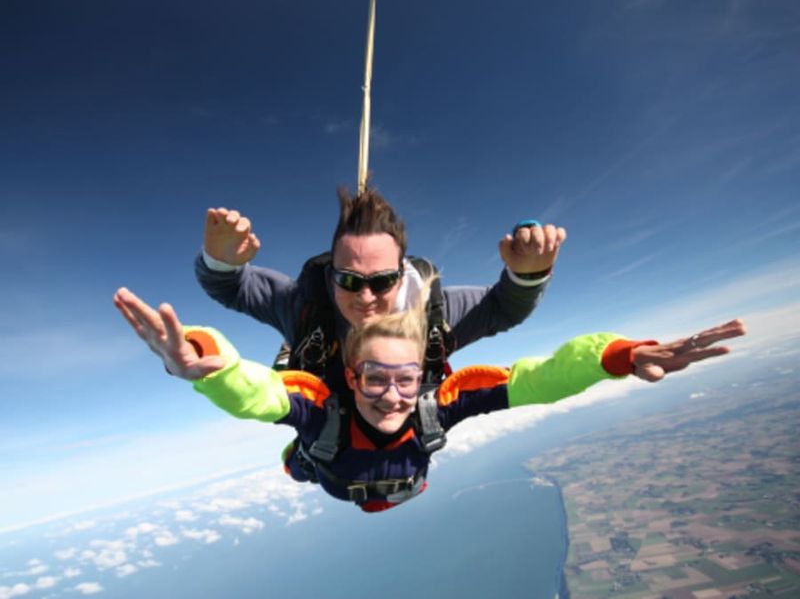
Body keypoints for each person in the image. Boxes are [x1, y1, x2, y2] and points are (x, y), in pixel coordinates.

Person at [113, 285, 746, 513]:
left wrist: (618, 355)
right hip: (327, 468)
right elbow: (259, 393)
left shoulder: (440, 405)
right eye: (375, 379)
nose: (392, 396)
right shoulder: (318, 409)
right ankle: (300, 463)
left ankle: (309, 464)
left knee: (316, 458)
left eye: (406, 379)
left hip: (380, 476)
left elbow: (538, 379)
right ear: (351, 377)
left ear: (423, 378)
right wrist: (204, 363)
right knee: (299, 460)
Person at [195, 185, 567, 391]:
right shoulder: (306, 307)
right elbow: (233, 288)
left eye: (383, 281)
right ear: (332, 275)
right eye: (349, 280)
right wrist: (221, 260)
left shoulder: (431, 311)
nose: (365, 297)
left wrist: (528, 274)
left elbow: (502, 309)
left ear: (402, 273)